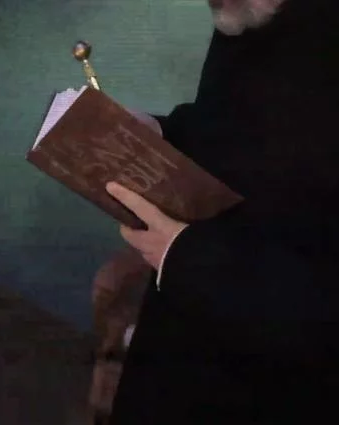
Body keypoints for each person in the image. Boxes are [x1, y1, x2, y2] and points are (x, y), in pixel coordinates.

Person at [91, 0, 339, 423]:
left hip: (275, 389)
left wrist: (184, 257)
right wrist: (160, 134)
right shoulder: (243, 12)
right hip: (175, 345)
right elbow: (237, 131)